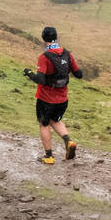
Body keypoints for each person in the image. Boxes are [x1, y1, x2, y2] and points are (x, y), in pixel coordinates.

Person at [23, 26, 83, 164]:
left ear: (44, 39)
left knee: (44, 124)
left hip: (46, 99)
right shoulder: (67, 54)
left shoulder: (44, 57)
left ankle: (49, 156)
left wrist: (29, 73)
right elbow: (79, 74)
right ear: (56, 37)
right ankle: (69, 141)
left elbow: (41, 80)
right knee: (55, 120)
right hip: (63, 99)